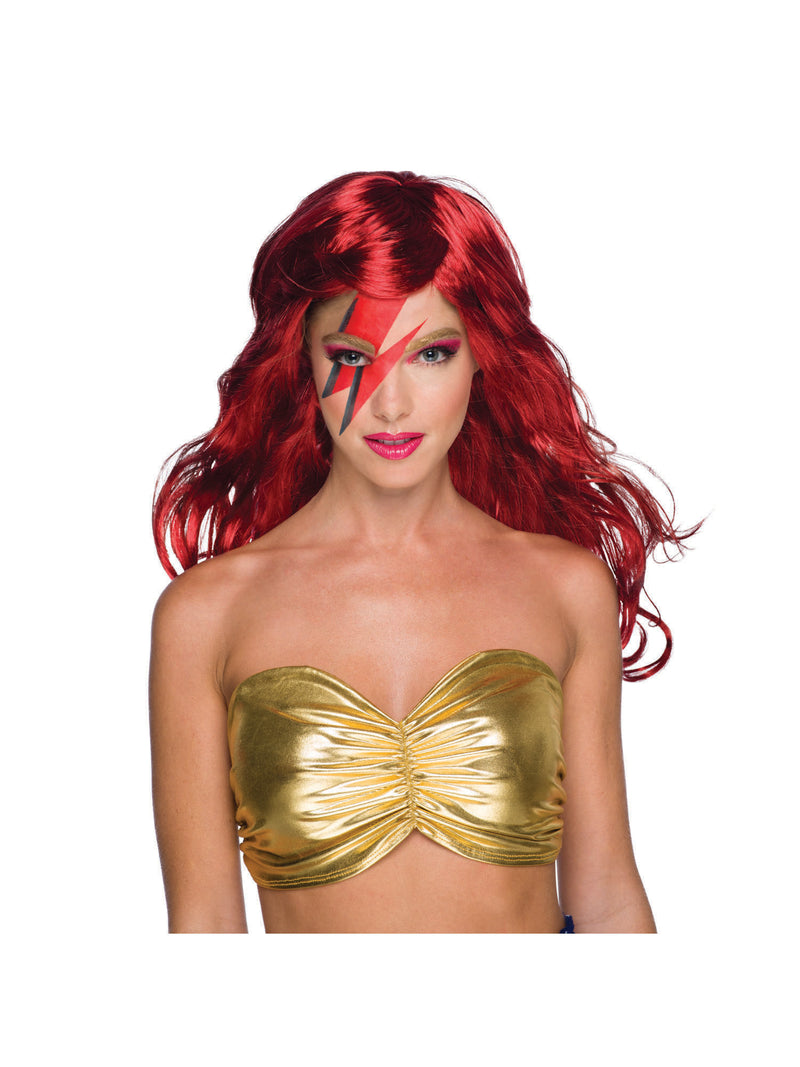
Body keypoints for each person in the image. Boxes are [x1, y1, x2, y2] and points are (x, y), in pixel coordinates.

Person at [150, 170, 695, 933]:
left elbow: (605, 896)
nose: (392, 403)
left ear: (481, 356)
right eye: (352, 357)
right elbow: (204, 928)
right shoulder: (206, 615)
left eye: (430, 353)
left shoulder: (566, 588)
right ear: (304, 360)